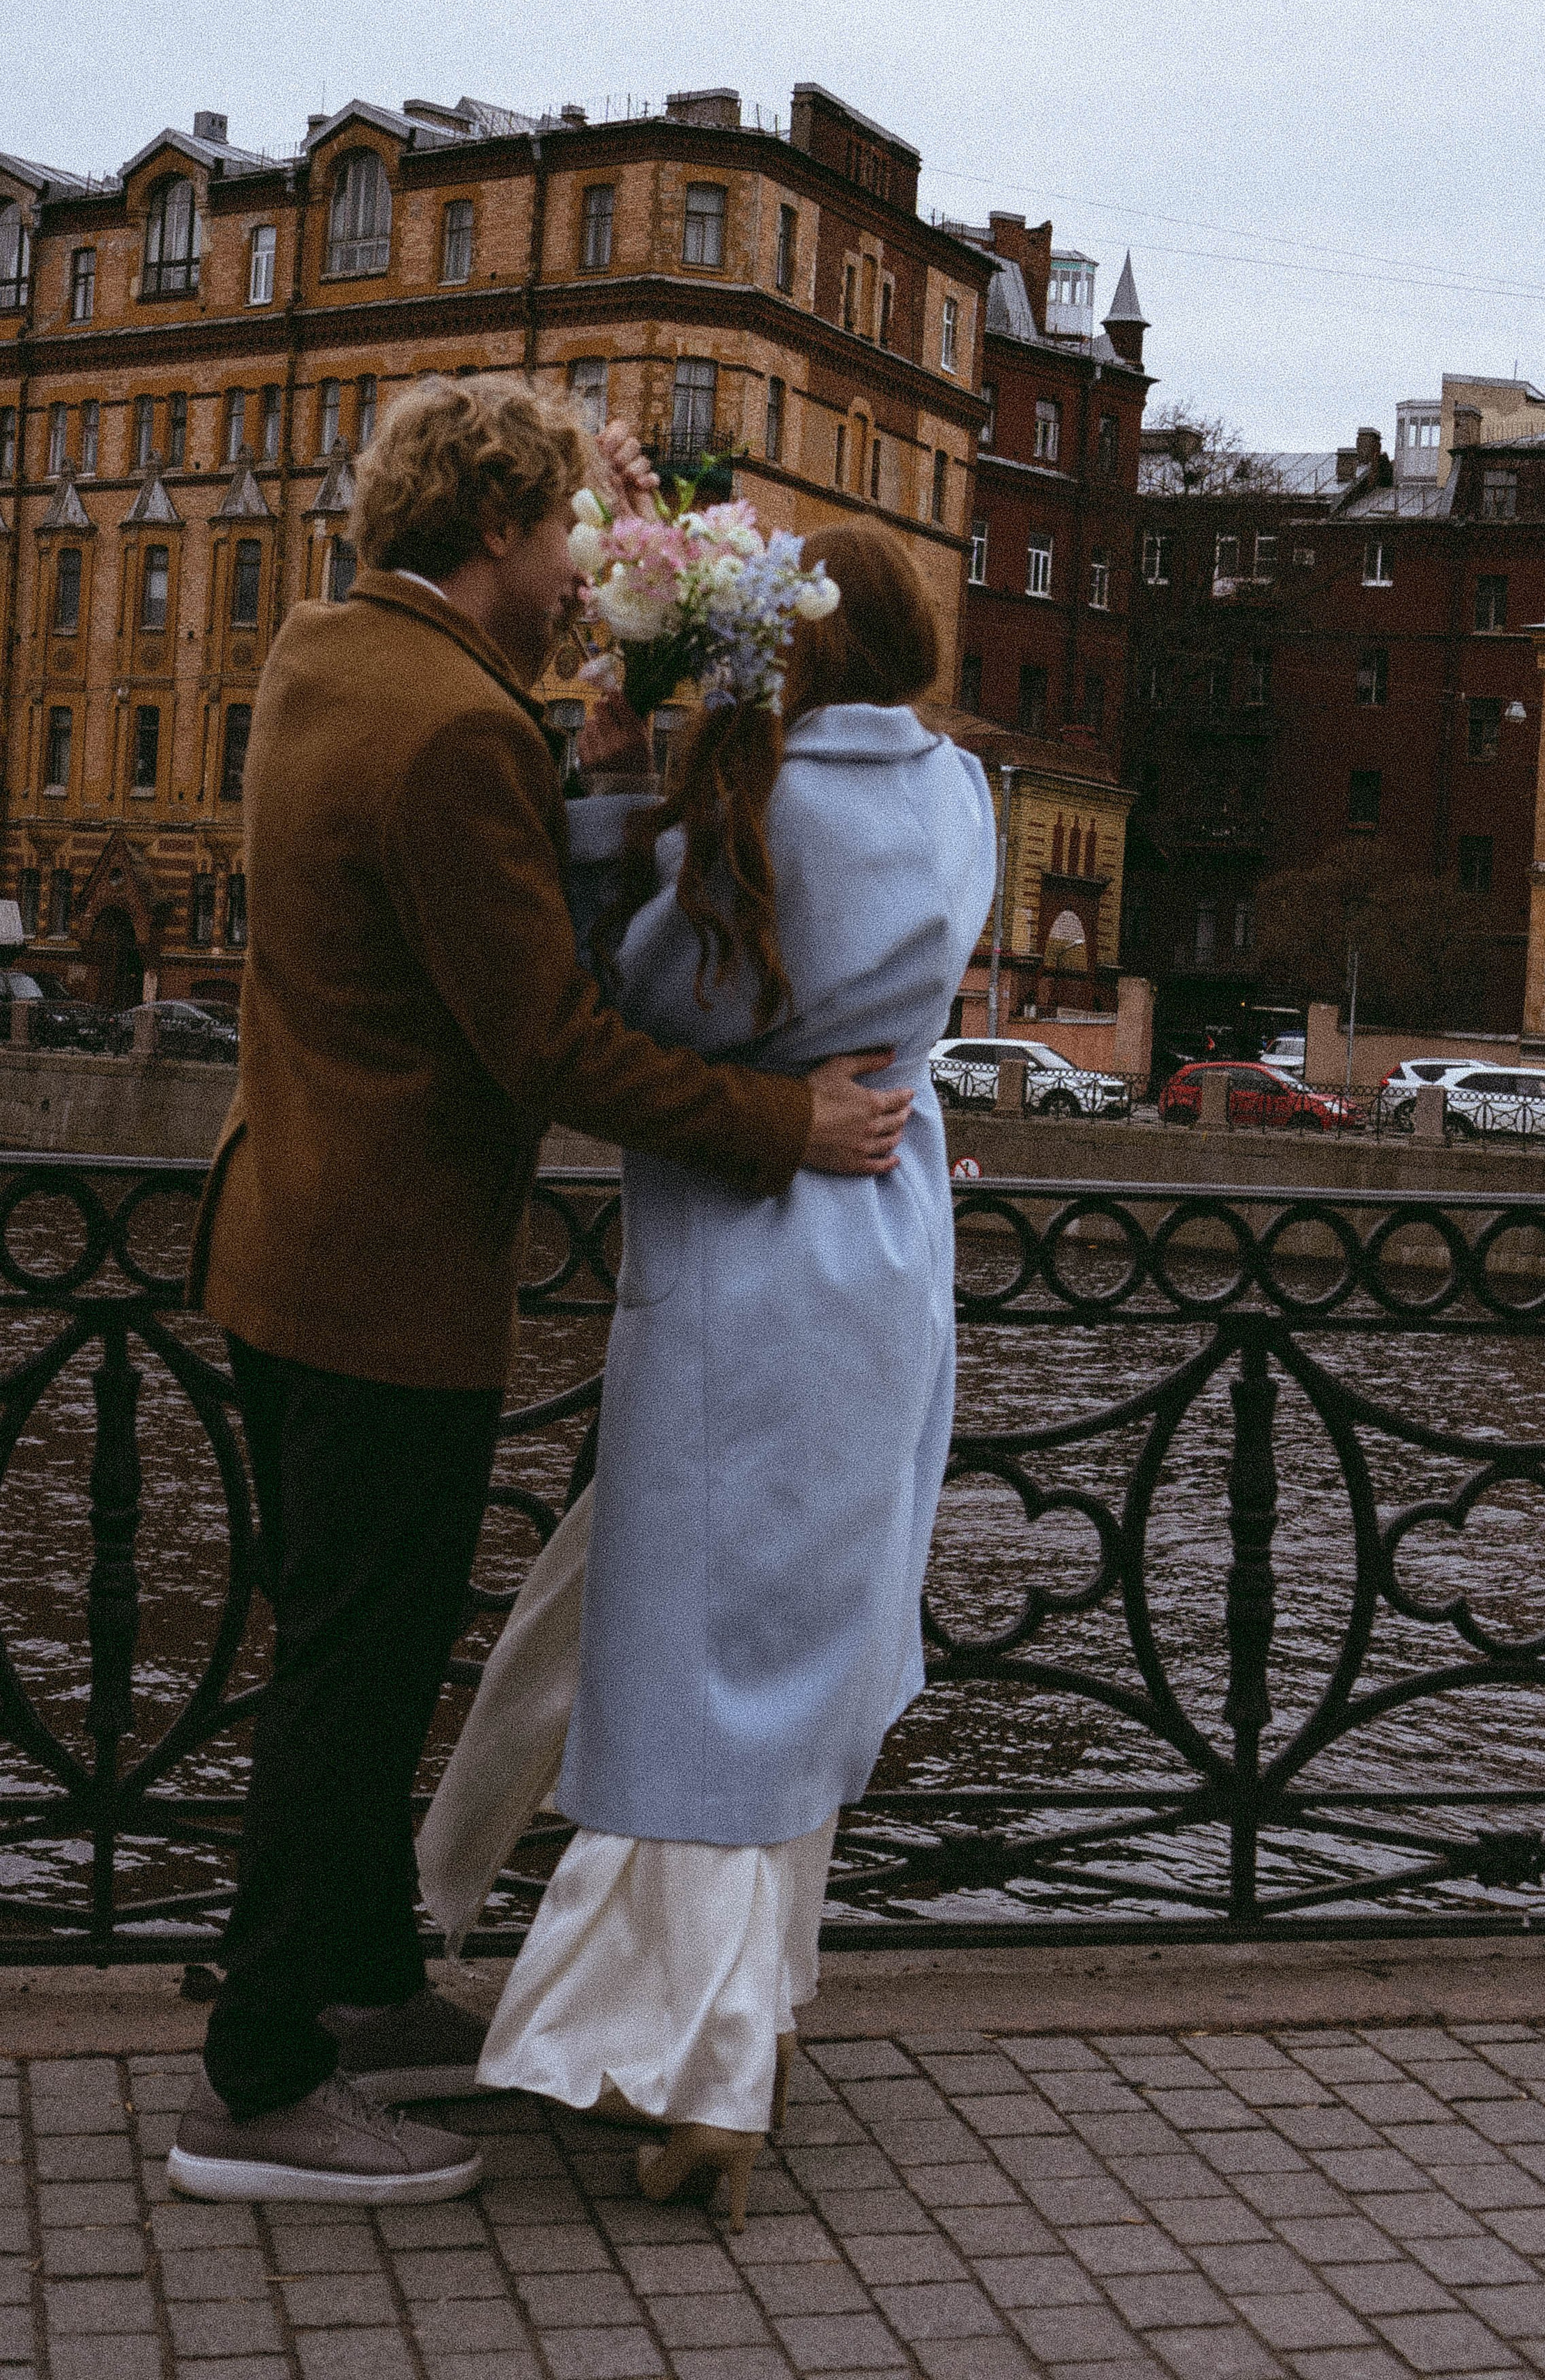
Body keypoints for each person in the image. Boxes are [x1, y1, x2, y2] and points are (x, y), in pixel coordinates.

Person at [167, 381, 913, 2209]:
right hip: (385, 1275)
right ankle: (260, 2084)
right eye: (567, 529)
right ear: (500, 527)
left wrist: (604, 757)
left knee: (348, 1638)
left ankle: (362, 1985)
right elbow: (551, 1040)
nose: (584, 565)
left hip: (283, 1228)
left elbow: (460, 923)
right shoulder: (454, 728)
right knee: (353, 1679)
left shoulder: (330, 653)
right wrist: (790, 1123)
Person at [441, 521, 996, 2230]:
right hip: (888, 1255)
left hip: (746, 1264)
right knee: (790, 1664)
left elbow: (640, 1013)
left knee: (698, 1683)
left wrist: (619, 795)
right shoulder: (960, 796)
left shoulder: (762, 807)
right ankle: (727, 2020)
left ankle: (701, 2080)